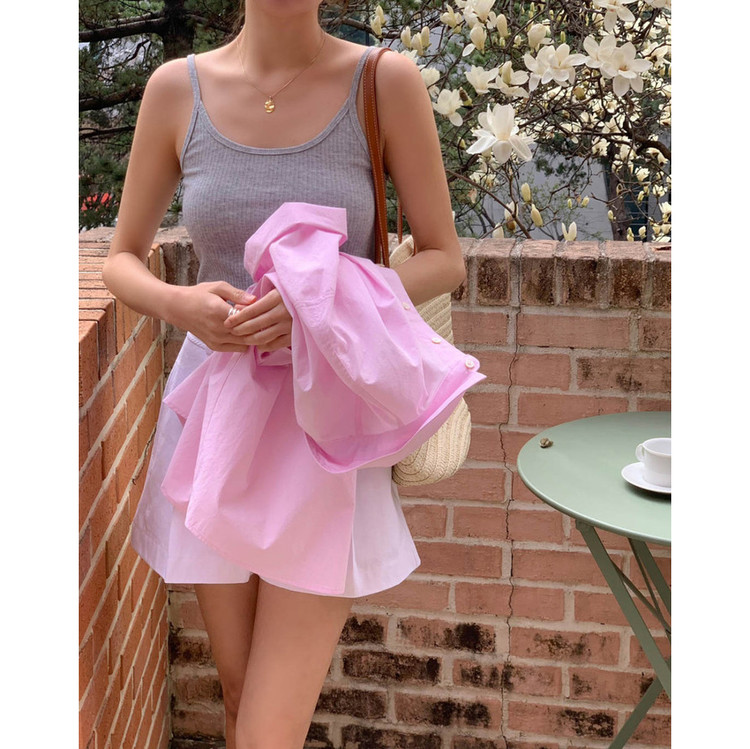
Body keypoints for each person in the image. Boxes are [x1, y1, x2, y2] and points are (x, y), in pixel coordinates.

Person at [101, 2, 467, 747]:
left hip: (324, 424)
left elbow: (444, 257)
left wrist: (316, 307)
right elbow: (121, 259)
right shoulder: (177, 90)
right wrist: (180, 303)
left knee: (269, 725)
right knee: (240, 694)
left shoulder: (382, 82)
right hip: (218, 418)